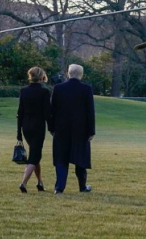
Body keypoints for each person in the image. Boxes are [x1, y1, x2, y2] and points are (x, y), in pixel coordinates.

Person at [51, 64, 95, 194]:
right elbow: (90, 112)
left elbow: (52, 110)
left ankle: (59, 187)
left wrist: (52, 128)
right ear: (81, 75)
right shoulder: (86, 89)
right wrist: (91, 131)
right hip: (81, 130)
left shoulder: (58, 88)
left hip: (61, 128)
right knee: (80, 157)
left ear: (68, 73)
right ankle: (82, 186)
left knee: (61, 158)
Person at [16, 66, 52, 193]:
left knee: (35, 154)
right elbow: (47, 113)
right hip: (38, 126)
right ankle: (23, 183)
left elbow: (20, 112)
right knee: (35, 156)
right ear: (42, 77)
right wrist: (52, 128)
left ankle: (40, 182)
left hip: (26, 126)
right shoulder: (44, 92)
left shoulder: (24, 91)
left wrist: (18, 133)